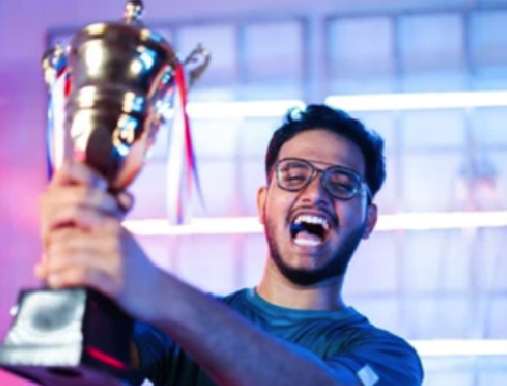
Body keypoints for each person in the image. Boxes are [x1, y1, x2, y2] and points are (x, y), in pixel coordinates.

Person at [37, 104, 424, 386]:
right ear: (262, 203)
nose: (315, 194)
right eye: (293, 175)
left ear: (368, 219)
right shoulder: (174, 330)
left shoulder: (391, 359)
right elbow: (53, 360)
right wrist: (68, 258)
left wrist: (160, 291)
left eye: (342, 184)